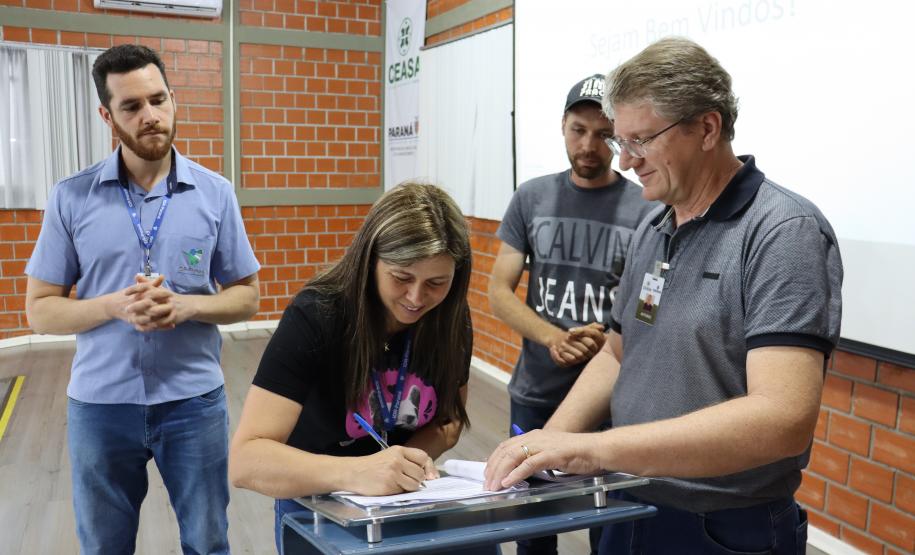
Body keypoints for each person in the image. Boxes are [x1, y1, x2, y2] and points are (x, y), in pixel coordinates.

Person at [484, 37, 842, 555]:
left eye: (640, 141)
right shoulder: (655, 225)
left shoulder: (784, 231)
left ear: (707, 128)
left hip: (719, 526)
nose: (626, 162)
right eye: (620, 143)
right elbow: (618, 349)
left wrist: (594, 448)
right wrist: (543, 447)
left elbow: (782, 419)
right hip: (630, 499)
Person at [24, 44, 260, 555]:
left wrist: (188, 306)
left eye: (159, 99)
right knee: (105, 546)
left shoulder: (215, 194)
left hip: (193, 403)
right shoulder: (72, 197)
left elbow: (247, 298)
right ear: (107, 115)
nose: (150, 116)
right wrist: (113, 306)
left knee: (207, 541)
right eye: (132, 106)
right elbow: (40, 307)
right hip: (101, 406)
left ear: (174, 98)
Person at [229, 183, 492, 553]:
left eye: (436, 283)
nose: (417, 299)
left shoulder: (447, 317)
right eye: (401, 278)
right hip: (314, 500)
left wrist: (408, 463)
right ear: (371, 260)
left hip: (401, 497)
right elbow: (246, 460)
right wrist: (359, 472)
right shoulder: (317, 315)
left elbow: (447, 421)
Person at [488, 74, 657, 555]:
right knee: (533, 525)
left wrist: (609, 335)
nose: (589, 145)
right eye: (578, 130)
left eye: (604, 134)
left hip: (613, 399)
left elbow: (650, 303)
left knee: (608, 525)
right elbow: (499, 291)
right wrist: (552, 338)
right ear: (563, 126)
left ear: (620, 136)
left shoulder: (646, 207)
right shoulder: (531, 197)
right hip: (536, 391)